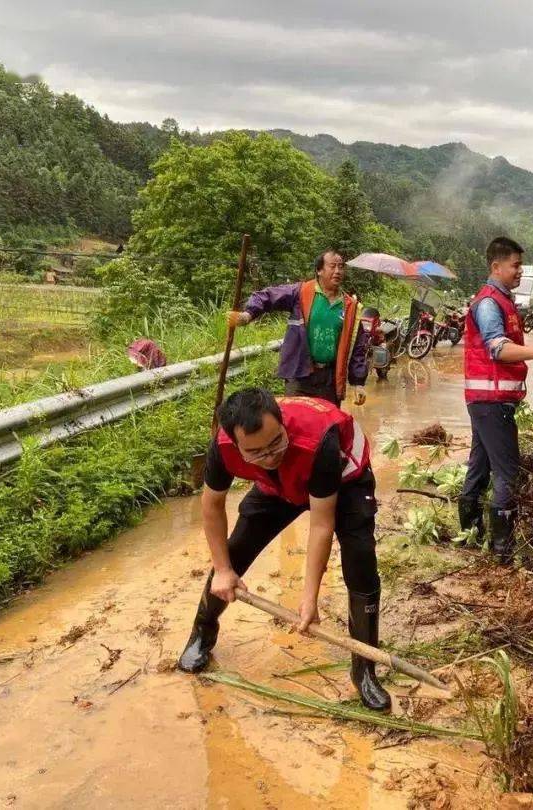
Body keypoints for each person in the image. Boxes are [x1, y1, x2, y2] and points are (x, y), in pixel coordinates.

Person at [177, 388, 390, 711]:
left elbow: (321, 524)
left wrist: (308, 600)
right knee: (234, 552)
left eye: (276, 442)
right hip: (278, 485)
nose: (270, 454)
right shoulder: (222, 448)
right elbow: (212, 505)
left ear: (281, 424)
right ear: (236, 446)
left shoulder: (320, 442)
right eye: (257, 452)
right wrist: (222, 569)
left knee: (360, 563)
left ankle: (364, 670)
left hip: (345, 481)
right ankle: (202, 635)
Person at [459, 237, 533, 564]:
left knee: (479, 468)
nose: (520, 271)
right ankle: (502, 549)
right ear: (497, 267)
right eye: (515, 265)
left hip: (488, 400)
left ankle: (471, 535)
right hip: (492, 401)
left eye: (521, 265)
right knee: (509, 474)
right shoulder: (490, 303)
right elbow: (498, 348)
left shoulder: (503, 301)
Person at [228, 250, 368, 406]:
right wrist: (247, 315)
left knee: (328, 426)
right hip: (299, 374)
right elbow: (268, 296)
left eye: (341, 267)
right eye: (332, 266)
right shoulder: (301, 292)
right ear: (319, 270)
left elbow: (358, 347)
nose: (337, 271)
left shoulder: (350, 307)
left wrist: (358, 382)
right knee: (297, 423)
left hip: (330, 379)